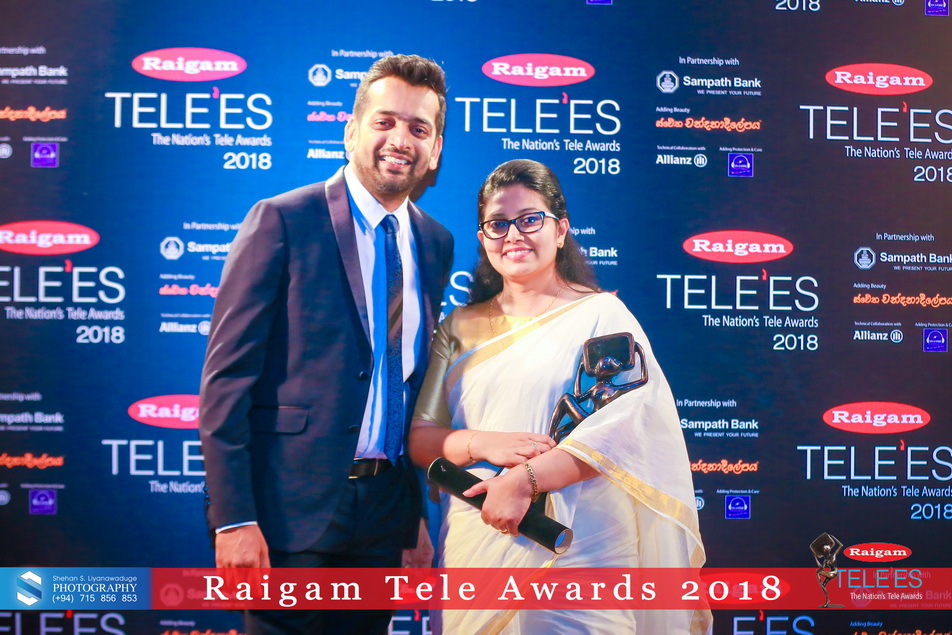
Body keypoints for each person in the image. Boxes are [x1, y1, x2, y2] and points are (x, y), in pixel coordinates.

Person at [199, 54, 454, 634]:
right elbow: (226, 383)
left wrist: (414, 513)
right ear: (351, 131)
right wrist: (233, 519)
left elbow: (410, 388)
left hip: (385, 516)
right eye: (385, 122)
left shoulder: (435, 243)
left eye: (418, 128)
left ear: (435, 149)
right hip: (287, 516)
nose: (400, 140)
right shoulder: (282, 220)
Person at [409, 159, 711, 634]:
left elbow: (623, 430)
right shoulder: (457, 328)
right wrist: (483, 443)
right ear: (483, 238)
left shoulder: (602, 316)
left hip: (580, 547)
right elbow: (422, 438)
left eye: (530, 219)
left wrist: (525, 480)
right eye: (497, 224)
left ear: (561, 229)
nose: (514, 235)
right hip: (477, 543)